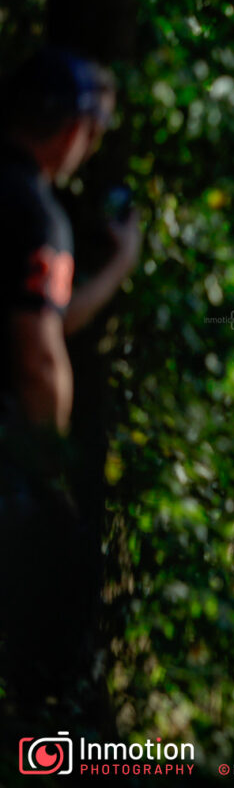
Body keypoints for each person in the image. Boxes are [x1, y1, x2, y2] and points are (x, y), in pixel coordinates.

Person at [0, 46, 139, 717]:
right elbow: (38, 354)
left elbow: (46, 317)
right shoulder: (33, 213)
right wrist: (47, 468)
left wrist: (114, 268)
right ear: (73, 127)